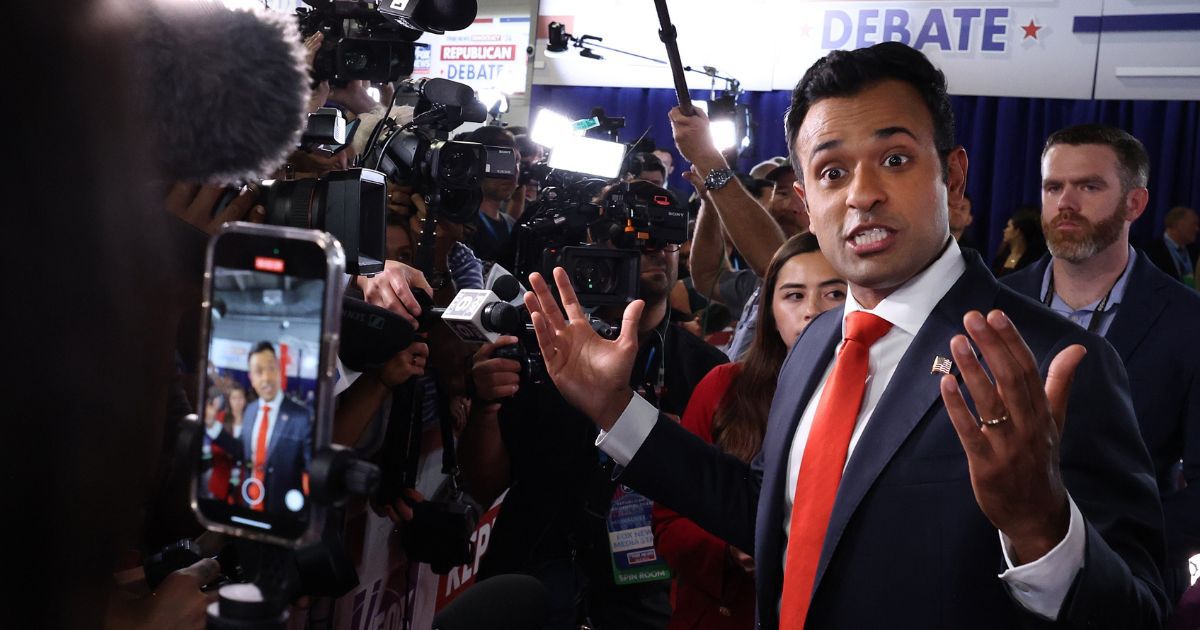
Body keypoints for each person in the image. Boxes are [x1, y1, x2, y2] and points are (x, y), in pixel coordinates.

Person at [521, 42, 1168, 629]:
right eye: (832, 172)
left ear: (955, 176)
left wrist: (1044, 533)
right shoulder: (816, 343)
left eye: (894, 158)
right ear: (807, 200)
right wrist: (613, 408)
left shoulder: (1050, 361)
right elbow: (771, 512)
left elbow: (1140, 613)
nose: (862, 194)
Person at [459, 181, 727, 630]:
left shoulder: (706, 369)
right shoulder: (543, 345)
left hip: (646, 590)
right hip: (533, 574)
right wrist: (485, 407)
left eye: (666, 238)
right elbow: (484, 484)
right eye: (633, 238)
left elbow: (722, 501)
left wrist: (674, 448)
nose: (654, 251)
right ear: (595, 246)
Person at [1002, 124, 1200, 602]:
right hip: (991, 570)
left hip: (1124, 579)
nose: (1066, 202)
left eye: (1089, 186)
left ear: (1134, 203)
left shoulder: (1189, 322)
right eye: (1054, 187)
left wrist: (1111, 551)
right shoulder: (993, 302)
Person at [653, 233, 845, 629]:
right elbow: (669, 523)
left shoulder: (886, 394)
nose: (811, 311)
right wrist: (729, 547)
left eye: (834, 294)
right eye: (793, 296)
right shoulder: (723, 387)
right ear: (770, 311)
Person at [239, 341, 313, 513]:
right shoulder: (249, 411)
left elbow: (310, 468)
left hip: (283, 513)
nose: (266, 377)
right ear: (251, 378)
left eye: (271, 368)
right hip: (248, 506)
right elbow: (243, 454)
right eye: (259, 371)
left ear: (279, 370)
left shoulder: (301, 417)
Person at [465, 125, 520, 263]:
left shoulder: (511, 224)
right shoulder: (463, 224)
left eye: (517, 162)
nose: (513, 171)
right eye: (504, 161)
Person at [1143, 205, 1198, 287]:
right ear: (1178, 225)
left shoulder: (1195, 251)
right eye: (1193, 224)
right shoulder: (1151, 251)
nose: (1197, 229)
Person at [991, 205, 1047, 277]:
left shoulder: (1033, 261)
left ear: (1018, 231)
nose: (1004, 230)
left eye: (1008, 226)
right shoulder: (1002, 255)